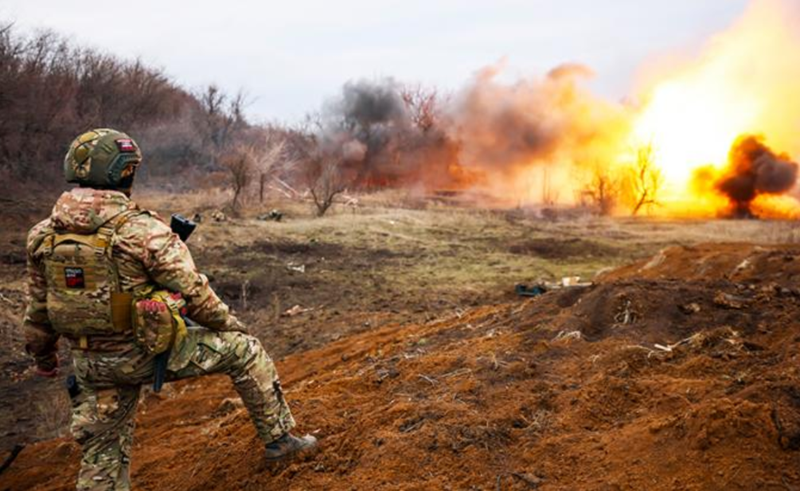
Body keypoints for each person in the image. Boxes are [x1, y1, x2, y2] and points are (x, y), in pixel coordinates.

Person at [22, 128, 317, 491]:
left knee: (102, 458)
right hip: (143, 354)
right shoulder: (144, 231)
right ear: (124, 172)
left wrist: (44, 359)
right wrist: (231, 325)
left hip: (90, 365)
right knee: (246, 351)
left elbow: (38, 310)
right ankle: (281, 443)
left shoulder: (41, 235)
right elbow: (195, 293)